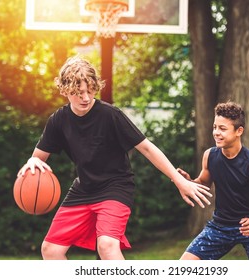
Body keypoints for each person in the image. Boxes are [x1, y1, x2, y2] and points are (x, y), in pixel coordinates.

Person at [17, 55, 212, 260]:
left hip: (115, 186)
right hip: (83, 189)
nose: (85, 97)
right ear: (65, 91)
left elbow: (147, 148)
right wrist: (32, 160)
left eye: (90, 90)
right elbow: (38, 158)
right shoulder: (58, 120)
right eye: (78, 92)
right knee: (50, 250)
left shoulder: (110, 115)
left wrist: (178, 180)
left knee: (107, 245)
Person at [178, 101, 249, 260]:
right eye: (214, 127)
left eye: (222, 129)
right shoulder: (210, 156)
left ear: (239, 131)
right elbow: (203, 183)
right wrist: (189, 181)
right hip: (220, 226)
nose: (216, 133)